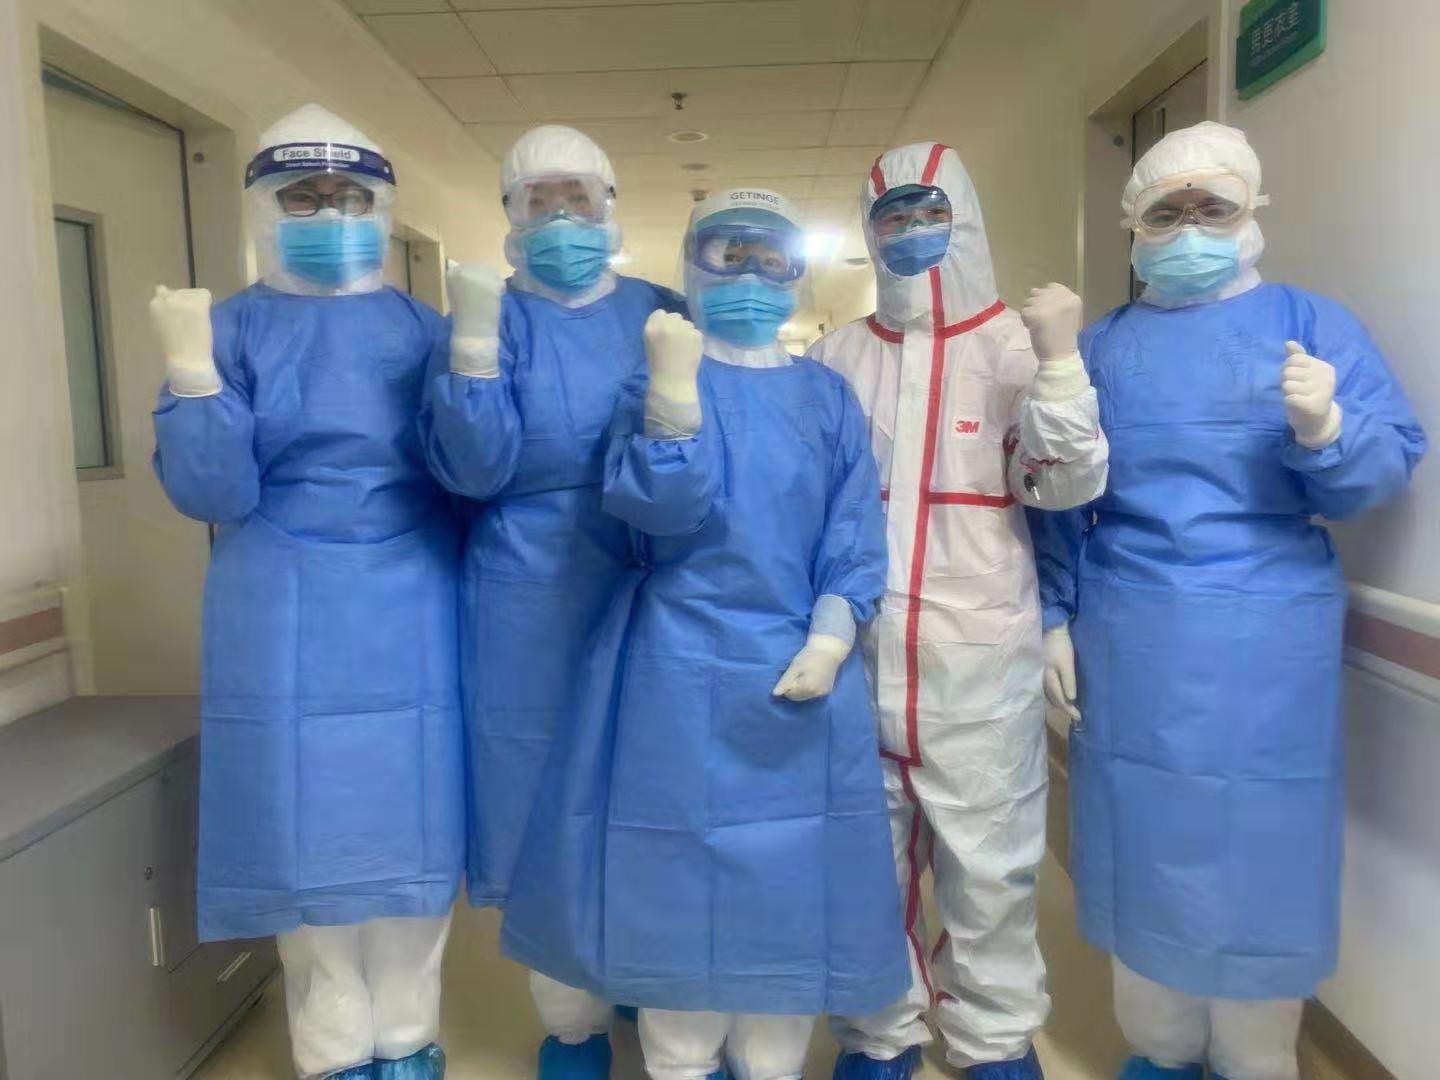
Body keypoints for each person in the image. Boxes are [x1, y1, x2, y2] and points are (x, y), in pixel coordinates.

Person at [1029, 121, 1427, 1080]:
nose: (1190, 228)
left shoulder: (1311, 324)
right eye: (1166, 213)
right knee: (1143, 841)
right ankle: (1160, 1049)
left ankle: (1257, 1057)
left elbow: (1378, 471)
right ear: (1133, 225)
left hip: (1268, 636)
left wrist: (1326, 428)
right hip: (1130, 626)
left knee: (1262, 851)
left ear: (1252, 212)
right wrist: (1052, 616)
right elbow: (1057, 496)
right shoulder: (1101, 347)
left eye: (1213, 207)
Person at [501, 188, 911, 1080]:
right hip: (673, 666)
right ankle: (681, 1063)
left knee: (786, 895)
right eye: (729, 256)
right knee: (671, 885)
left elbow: (853, 530)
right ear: (692, 265)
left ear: (797, 272)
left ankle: (768, 1064)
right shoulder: (648, 385)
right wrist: (675, 403)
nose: (751, 276)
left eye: (771, 258)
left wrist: (832, 634)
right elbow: (658, 515)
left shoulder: (825, 396)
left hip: (800, 670)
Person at [150, 104, 461, 1080]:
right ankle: (333, 1047)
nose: (330, 215)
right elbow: (214, 492)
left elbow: (471, 469)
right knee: (300, 832)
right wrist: (191, 371)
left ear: (381, 209)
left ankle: (408, 1037)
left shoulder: (423, 329)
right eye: (304, 197)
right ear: (263, 207)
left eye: (350, 198)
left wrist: (482, 362)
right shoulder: (228, 328)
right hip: (277, 597)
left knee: (413, 827)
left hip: (412, 591)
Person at [807, 142, 1111, 1080]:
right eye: (892, 216)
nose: (911, 232)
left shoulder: (1016, 347)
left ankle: (993, 1037)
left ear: (965, 219)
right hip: (860, 659)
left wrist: (1060, 368)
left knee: (992, 870)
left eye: (929, 212)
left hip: (980, 661)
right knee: (867, 864)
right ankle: (879, 1035)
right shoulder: (835, 357)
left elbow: (1064, 490)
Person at [418, 124, 685, 1079]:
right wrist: (475, 347)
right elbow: (471, 470)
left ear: (611, 206)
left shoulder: (660, 312)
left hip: (647, 574)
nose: (563, 217)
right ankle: (571, 1023)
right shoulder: (481, 320)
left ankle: (655, 991)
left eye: (580, 197)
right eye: (541, 201)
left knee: (647, 786)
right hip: (521, 586)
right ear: (511, 214)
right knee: (537, 800)